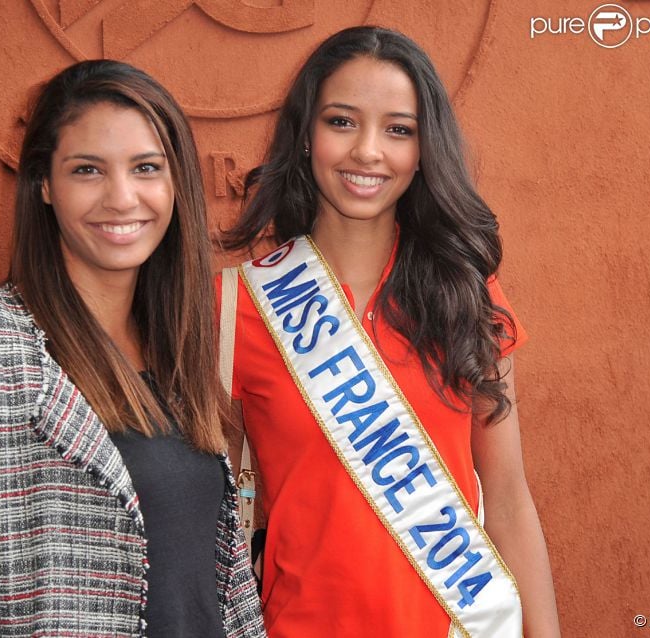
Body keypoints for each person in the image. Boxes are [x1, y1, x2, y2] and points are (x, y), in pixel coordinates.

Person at [0, 59, 265, 638]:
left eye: (146, 167)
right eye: (88, 169)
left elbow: (212, 586)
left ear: (175, 185)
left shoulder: (179, 350)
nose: (122, 197)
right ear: (44, 183)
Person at [219, 26, 560, 637]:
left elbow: (508, 497)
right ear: (304, 135)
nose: (368, 152)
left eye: (398, 129)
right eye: (342, 122)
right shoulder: (235, 307)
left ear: (424, 149)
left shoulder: (467, 296)